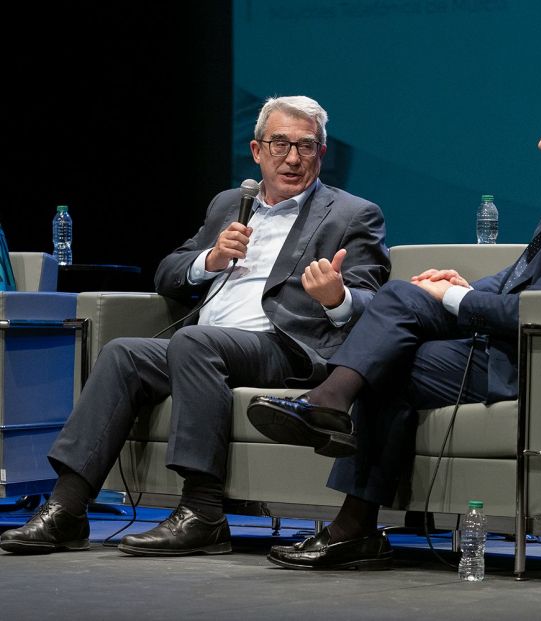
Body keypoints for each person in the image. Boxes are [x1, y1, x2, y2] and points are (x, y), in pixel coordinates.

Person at [248, 81, 541, 570]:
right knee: (401, 305)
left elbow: (537, 312)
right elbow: (516, 279)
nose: (540, 144)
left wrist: (454, 297)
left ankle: (335, 438)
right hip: (501, 343)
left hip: (527, 360)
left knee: (392, 348)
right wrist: (463, 284)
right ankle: (345, 488)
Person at [0, 95, 390, 556]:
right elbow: (168, 272)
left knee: (195, 342)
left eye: (306, 147)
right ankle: (67, 508)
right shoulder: (230, 204)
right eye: (279, 143)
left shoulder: (352, 213)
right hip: (206, 346)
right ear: (257, 150)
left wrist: (336, 297)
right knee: (124, 352)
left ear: (321, 154)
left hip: (287, 346)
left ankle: (203, 512)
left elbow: (372, 300)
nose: (292, 158)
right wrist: (211, 259)